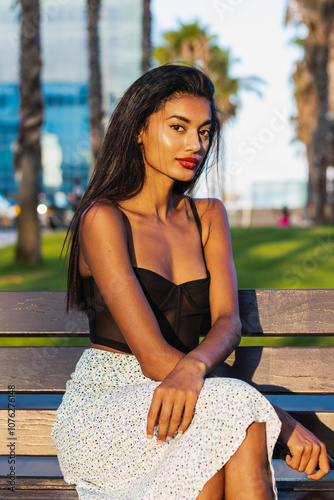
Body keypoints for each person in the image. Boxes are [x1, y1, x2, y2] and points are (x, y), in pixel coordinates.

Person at [51, 65, 330, 500]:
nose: (195, 144)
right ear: (139, 130)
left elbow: (227, 322)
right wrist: (285, 424)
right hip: (108, 408)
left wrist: (197, 368)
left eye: (203, 131)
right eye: (178, 128)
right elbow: (151, 357)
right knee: (237, 414)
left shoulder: (209, 217)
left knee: (227, 431)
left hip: (194, 393)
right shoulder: (104, 218)